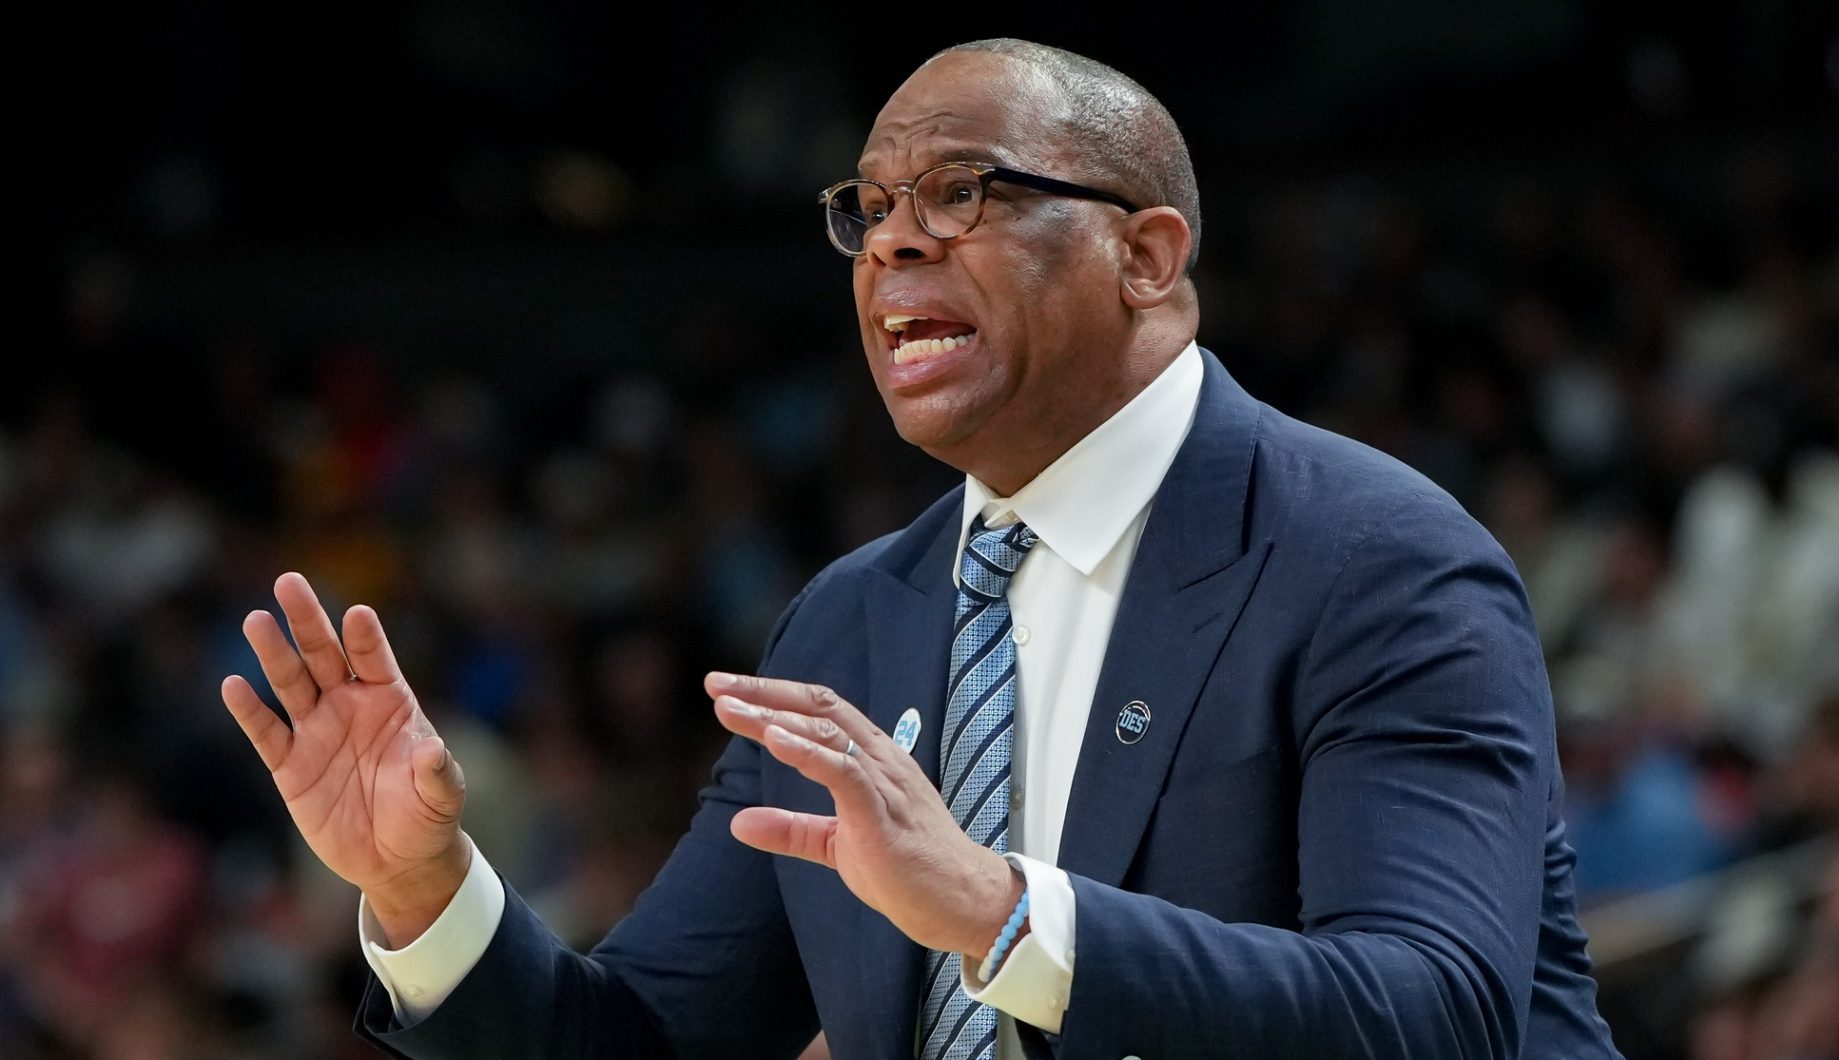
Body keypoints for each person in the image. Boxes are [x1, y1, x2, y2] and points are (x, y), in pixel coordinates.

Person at [222, 39, 1623, 1060]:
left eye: (960, 192)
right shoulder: (853, 622)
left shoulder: (1376, 562)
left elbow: (1435, 1013)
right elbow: (642, 1043)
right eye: (871, 209)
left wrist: (1001, 913)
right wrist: (422, 886)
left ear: (1147, 257)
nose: (892, 244)